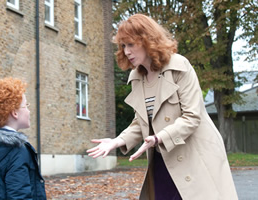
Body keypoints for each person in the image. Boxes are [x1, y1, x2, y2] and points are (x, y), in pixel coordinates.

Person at [87, 14, 238, 200]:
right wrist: (117, 141)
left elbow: (192, 117)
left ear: (147, 40)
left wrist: (159, 137)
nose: (126, 51)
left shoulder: (179, 66)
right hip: (162, 158)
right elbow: (139, 122)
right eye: (123, 46)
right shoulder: (137, 78)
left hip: (194, 156)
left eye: (131, 44)